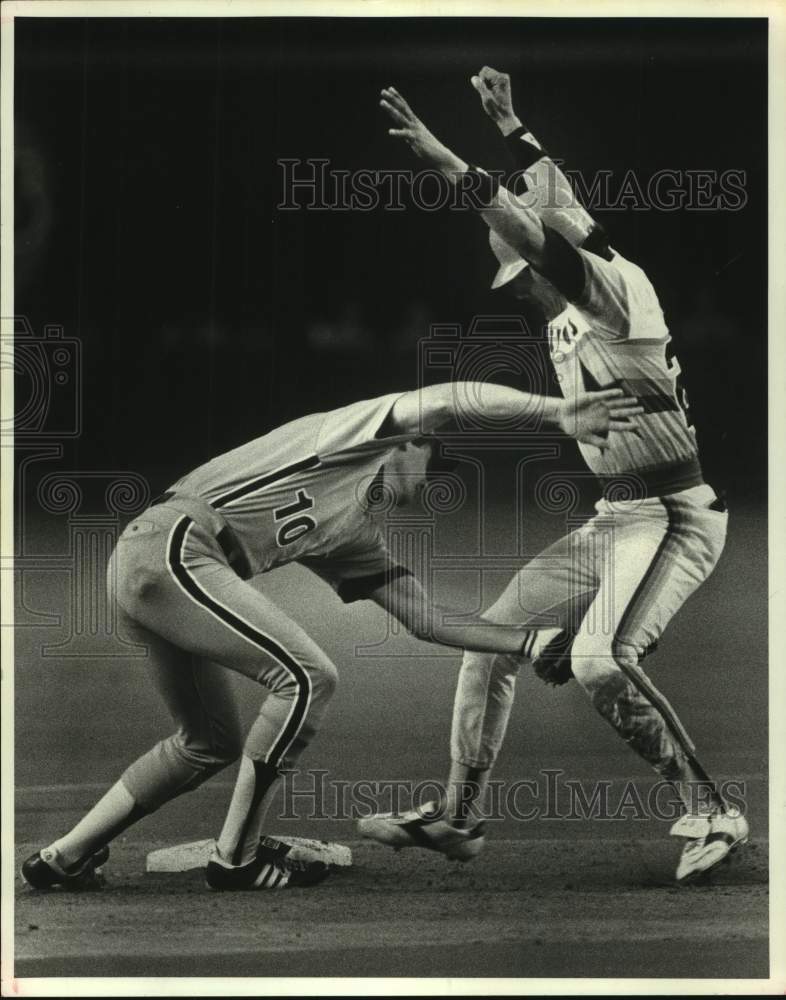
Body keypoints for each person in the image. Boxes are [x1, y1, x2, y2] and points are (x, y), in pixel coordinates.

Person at [21, 378, 639, 892]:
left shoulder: (351, 531)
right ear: (408, 442)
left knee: (207, 743)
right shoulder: (351, 435)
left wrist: (530, 642)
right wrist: (557, 412)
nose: (431, 480)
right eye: (432, 458)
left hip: (161, 571)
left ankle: (66, 856)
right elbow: (450, 396)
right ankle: (236, 858)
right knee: (307, 677)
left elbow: (425, 619)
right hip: (175, 547)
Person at [360, 71, 748, 882]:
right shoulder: (583, 279)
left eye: (523, 273)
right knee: (492, 642)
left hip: (674, 516)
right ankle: (460, 819)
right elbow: (551, 195)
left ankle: (715, 809)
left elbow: (535, 230)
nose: (522, 287)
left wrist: (444, 159)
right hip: (617, 518)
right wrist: (511, 125)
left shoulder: (613, 291)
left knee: (602, 661)